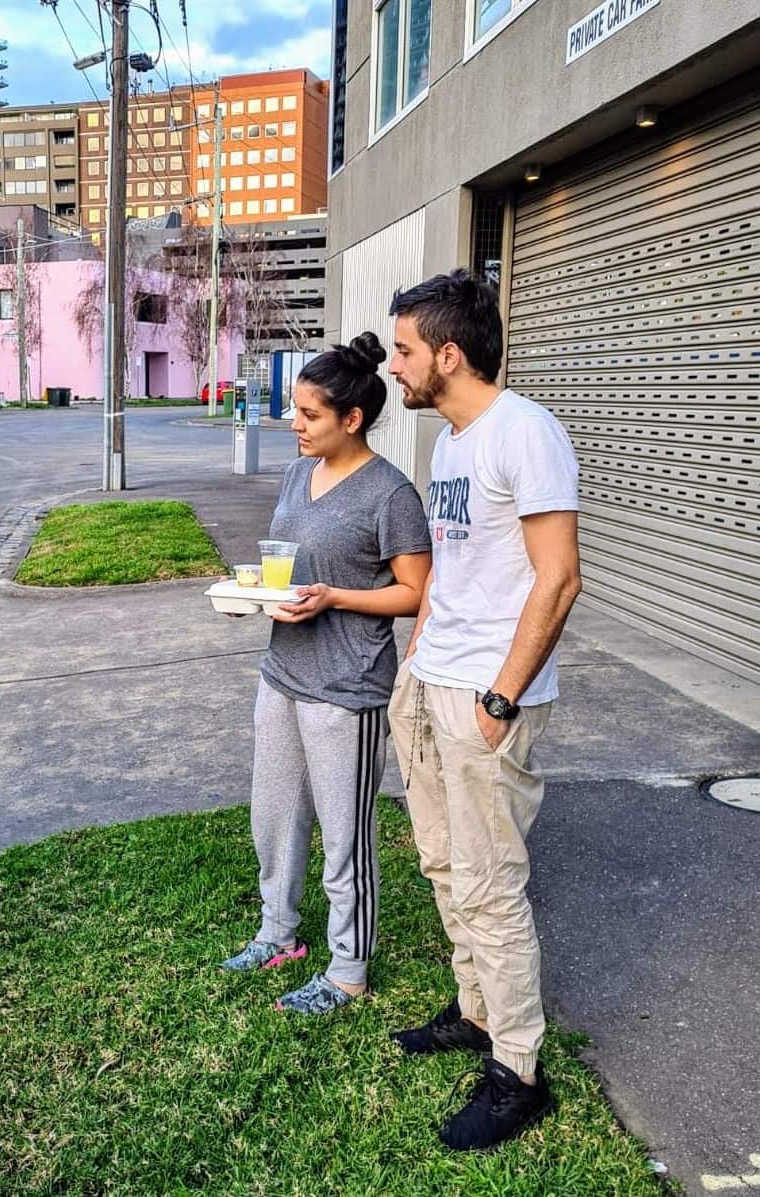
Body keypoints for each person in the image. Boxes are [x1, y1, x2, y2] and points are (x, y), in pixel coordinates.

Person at [385, 270, 582, 1151]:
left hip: (484, 699)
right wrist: (418, 665)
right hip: (431, 682)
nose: (394, 367)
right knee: (441, 862)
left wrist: (502, 695)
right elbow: (457, 574)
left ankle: (518, 1071)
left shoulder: (525, 432)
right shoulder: (453, 443)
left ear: (448, 355)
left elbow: (560, 576)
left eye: (404, 351)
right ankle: (473, 1011)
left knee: (492, 886)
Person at [220, 333, 431, 1015]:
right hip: (283, 672)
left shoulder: (390, 494)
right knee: (274, 817)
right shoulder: (295, 474)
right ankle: (278, 933)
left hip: (348, 686)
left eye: (309, 414)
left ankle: (348, 970)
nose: (295, 424)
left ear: (352, 419)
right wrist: (257, 595)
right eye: (294, 410)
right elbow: (294, 559)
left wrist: (336, 597)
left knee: (346, 838)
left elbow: (416, 593)